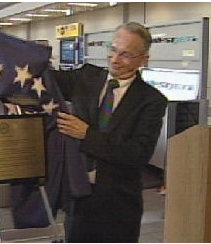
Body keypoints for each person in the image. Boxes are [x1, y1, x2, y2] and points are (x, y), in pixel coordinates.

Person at [54, 22, 168, 242]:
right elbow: (43, 77)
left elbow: (137, 154)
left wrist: (87, 134)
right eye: (113, 50)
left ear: (143, 59)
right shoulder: (86, 78)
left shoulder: (151, 101)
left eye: (126, 55)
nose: (115, 60)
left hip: (119, 205)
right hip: (79, 197)